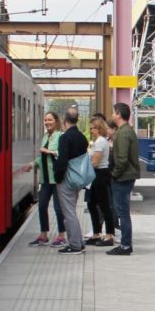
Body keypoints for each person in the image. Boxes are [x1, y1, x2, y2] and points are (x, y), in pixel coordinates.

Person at [25, 111, 67, 247]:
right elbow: (41, 157)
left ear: (56, 121)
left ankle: (62, 235)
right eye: (45, 120)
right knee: (42, 206)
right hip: (45, 179)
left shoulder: (61, 136)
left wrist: (48, 151)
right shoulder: (45, 137)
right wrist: (32, 164)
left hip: (56, 178)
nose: (47, 122)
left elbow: (62, 154)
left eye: (50, 120)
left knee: (58, 208)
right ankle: (43, 235)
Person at [53, 109, 90, 254]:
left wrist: (58, 177)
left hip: (66, 179)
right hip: (78, 178)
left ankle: (74, 245)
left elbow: (62, 161)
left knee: (68, 213)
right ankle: (78, 241)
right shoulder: (82, 137)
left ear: (64, 120)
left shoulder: (65, 138)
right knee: (71, 212)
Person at [108, 102, 141, 256]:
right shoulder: (128, 131)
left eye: (114, 113)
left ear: (119, 114)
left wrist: (113, 174)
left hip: (122, 177)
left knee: (123, 213)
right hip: (127, 175)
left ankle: (126, 245)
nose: (112, 115)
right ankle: (126, 244)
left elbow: (121, 159)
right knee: (124, 212)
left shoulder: (122, 133)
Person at [85, 114, 117, 247]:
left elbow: (96, 162)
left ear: (98, 129)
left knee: (104, 206)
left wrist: (85, 167)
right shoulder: (101, 141)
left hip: (100, 175)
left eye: (92, 128)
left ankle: (109, 235)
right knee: (91, 204)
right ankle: (96, 233)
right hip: (98, 176)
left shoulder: (100, 142)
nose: (91, 131)